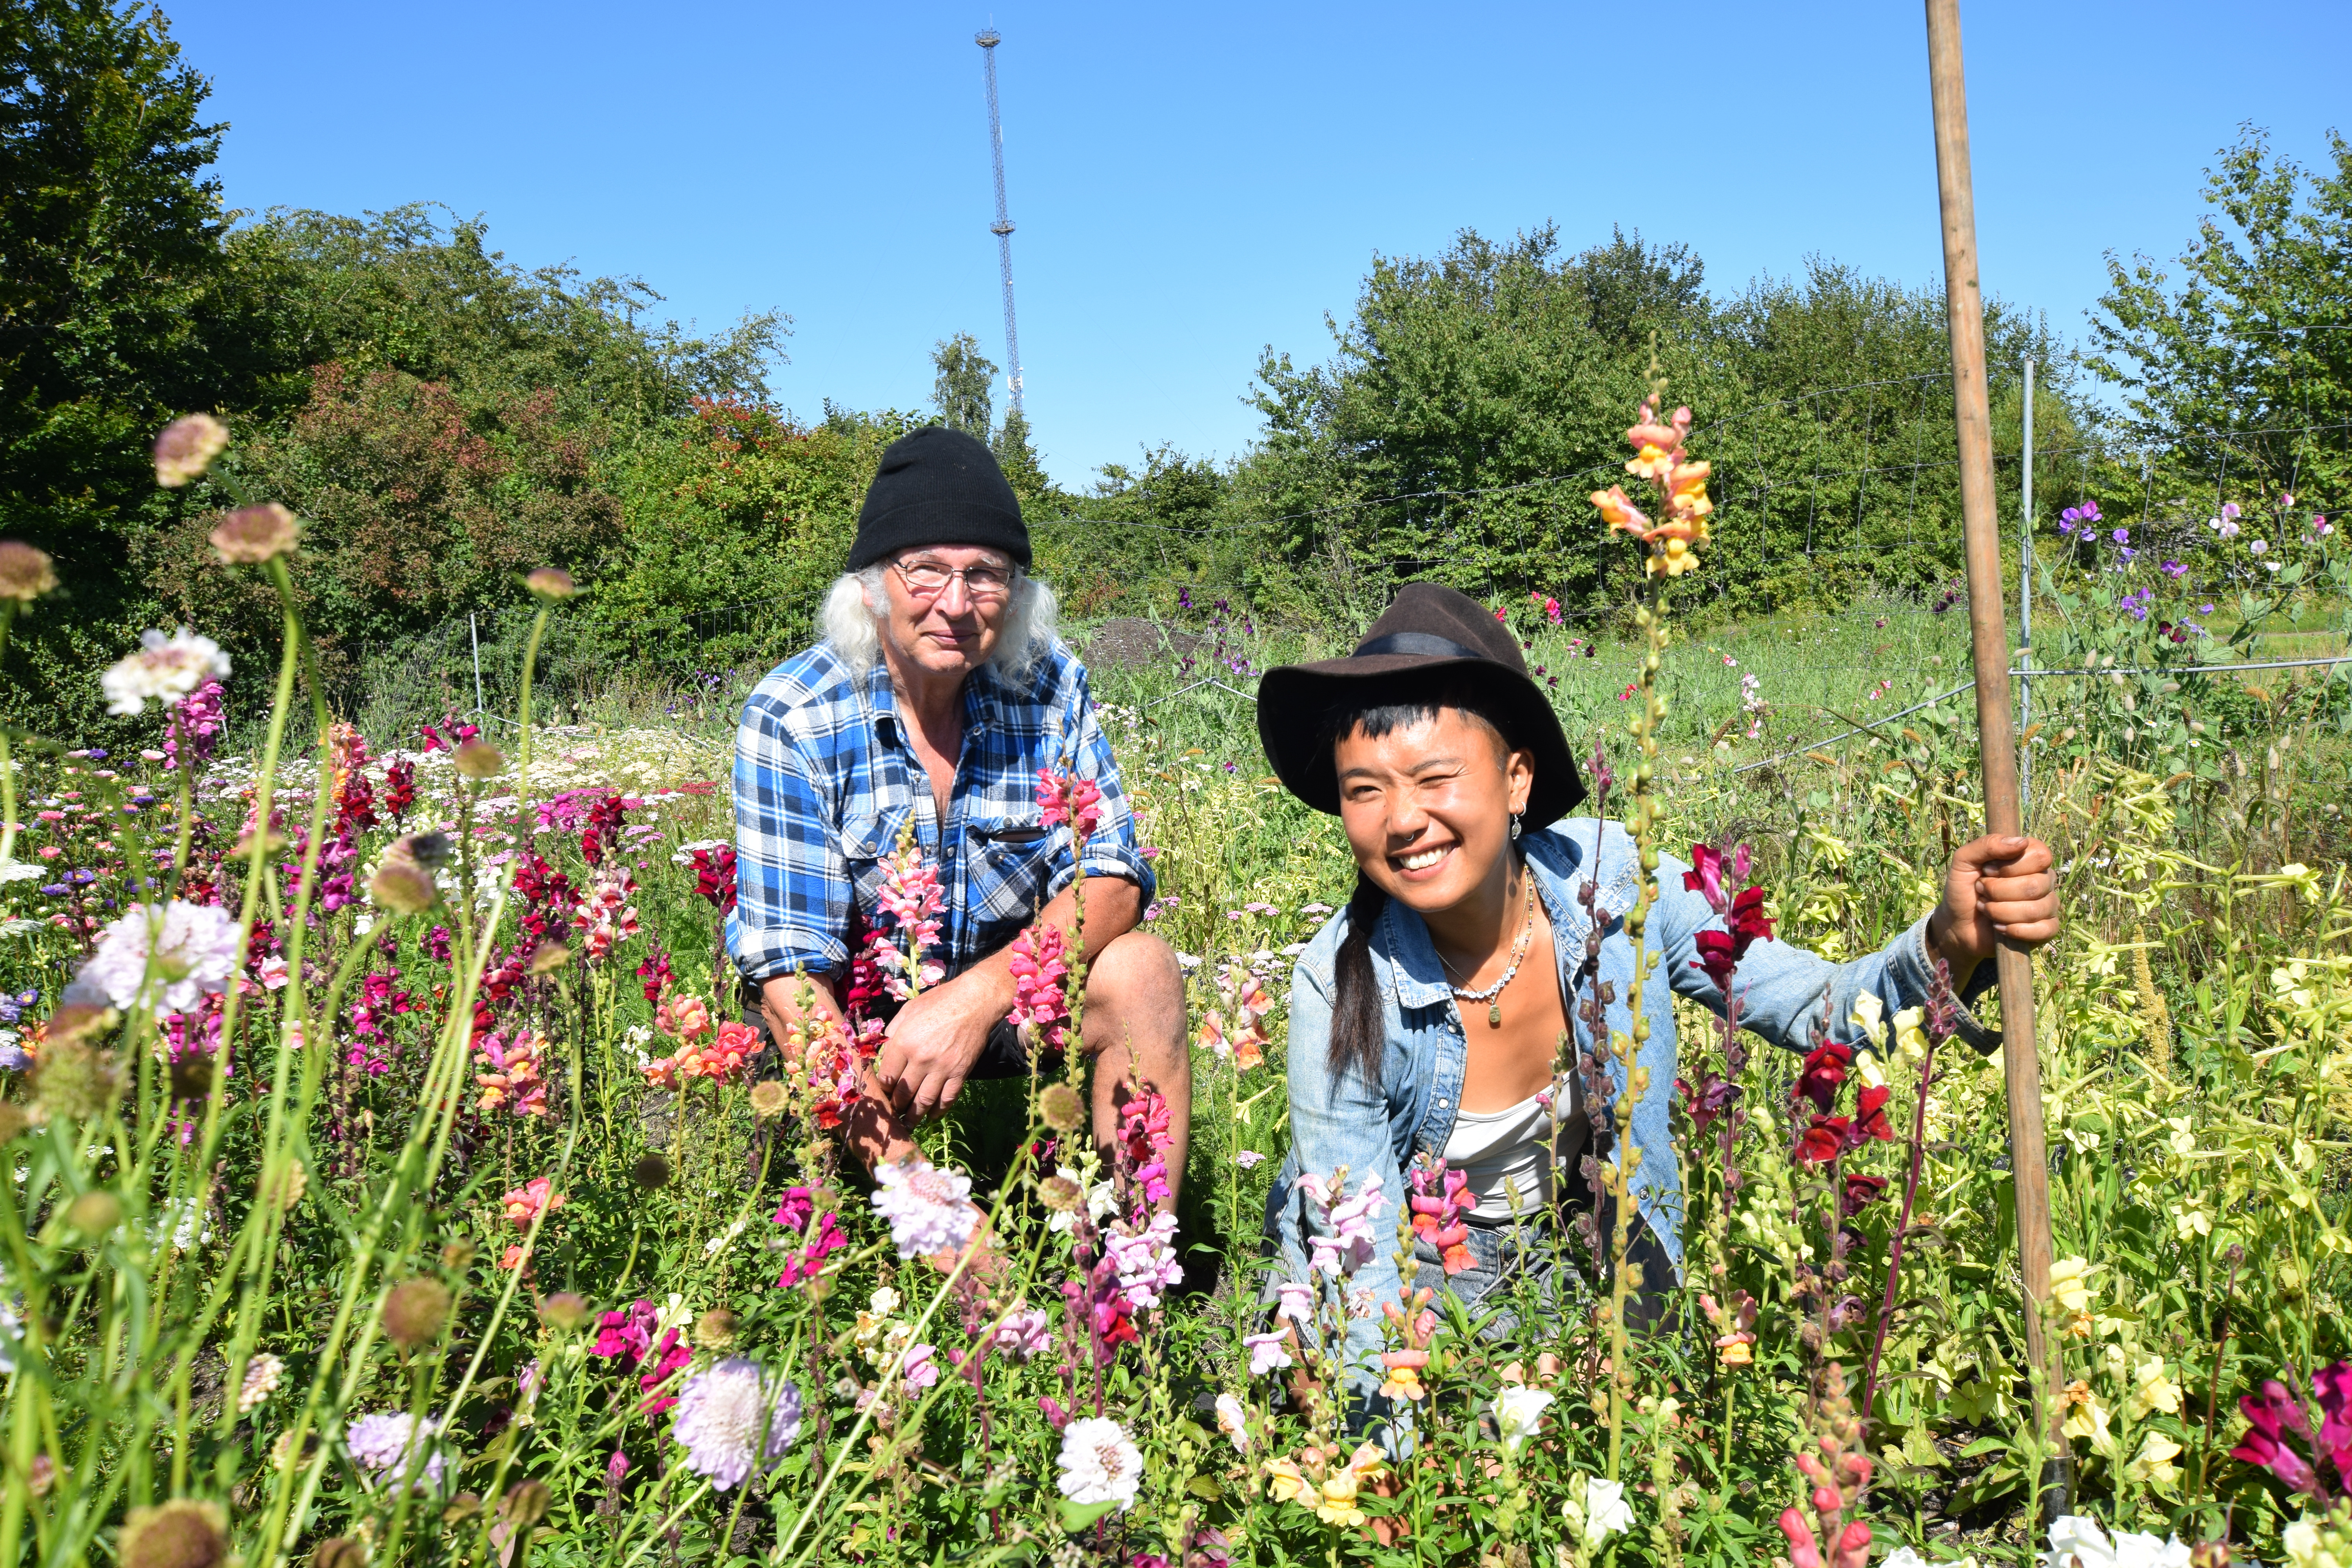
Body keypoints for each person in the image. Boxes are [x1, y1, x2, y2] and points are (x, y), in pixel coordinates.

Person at [1254, 582, 2058, 1391]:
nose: (1401, 820)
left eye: (1435, 778)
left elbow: (1814, 1012)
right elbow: (1362, 1261)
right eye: (1365, 789)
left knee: (1632, 1417)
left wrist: (1949, 942)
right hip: (1412, 1268)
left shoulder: (1622, 887)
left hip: (1579, 1249)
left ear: (1517, 778)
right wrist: (1382, 1434)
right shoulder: (1338, 983)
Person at [727, 426, 1189, 1196]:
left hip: (1002, 994)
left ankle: (1137, 1253)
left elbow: (1112, 878)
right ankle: (874, 1191)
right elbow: (792, 979)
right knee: (812, 1125)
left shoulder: (1049, 687)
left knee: (1143, 970)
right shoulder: (794, 714)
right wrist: (938, 1220)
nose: (956, 603)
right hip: (846, 1015)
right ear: (872, 585)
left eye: (985, 574)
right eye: (926, 569)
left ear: (1017, 593)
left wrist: (973, 1000)